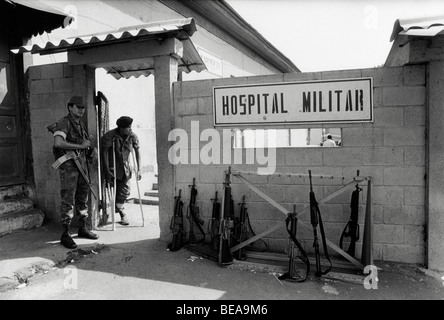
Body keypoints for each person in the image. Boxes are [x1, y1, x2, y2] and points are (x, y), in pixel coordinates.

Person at [52, 96, 99, 249]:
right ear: (70, 107)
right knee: (68, 200)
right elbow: (58, 143)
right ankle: (65, 234)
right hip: (69, 168)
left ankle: (82, 228)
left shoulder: (80, 124)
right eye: (78, 107)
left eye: (83, 107)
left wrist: (91, 149)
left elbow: (84, 144)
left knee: (82, 199)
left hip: (82, 166)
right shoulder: (64, 122)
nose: (81, 109)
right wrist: (80, 146)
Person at [101, 116, 141, 226]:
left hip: (126, 169)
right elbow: (104, 153)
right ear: (121, 128)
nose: (130, 129)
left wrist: (139, 169)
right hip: (113, 168)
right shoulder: (109, 136)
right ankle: (122, 213)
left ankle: (119, 209)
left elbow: (137, 152)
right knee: (113, 192)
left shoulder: (132, 136)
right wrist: (106, 170)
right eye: (128, 127)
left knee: (125, 191)